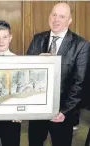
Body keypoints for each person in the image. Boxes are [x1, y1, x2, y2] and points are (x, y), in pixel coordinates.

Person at [26, 3, 90, 146]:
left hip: (62, 114)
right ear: (49, 16)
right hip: (37, 110)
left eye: (62, 16)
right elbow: (26, 73)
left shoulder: (81, 45)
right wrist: (37, 62)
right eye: (54, 15)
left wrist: (64, 112)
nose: (56, 20)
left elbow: (80, 83)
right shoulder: (37, 39)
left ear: (69, 21)